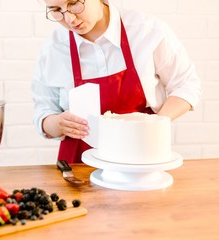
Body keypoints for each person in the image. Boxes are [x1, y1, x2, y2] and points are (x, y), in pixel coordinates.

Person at [31, 0, 202, 164]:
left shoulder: (147, 31)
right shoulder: (53, 49)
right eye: (56, 10)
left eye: (74, 3)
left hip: (142, 154)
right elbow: (43, 112)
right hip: (79, 165)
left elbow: (185, 84)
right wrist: (58, 124)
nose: (69, 19)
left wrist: (156, 123)